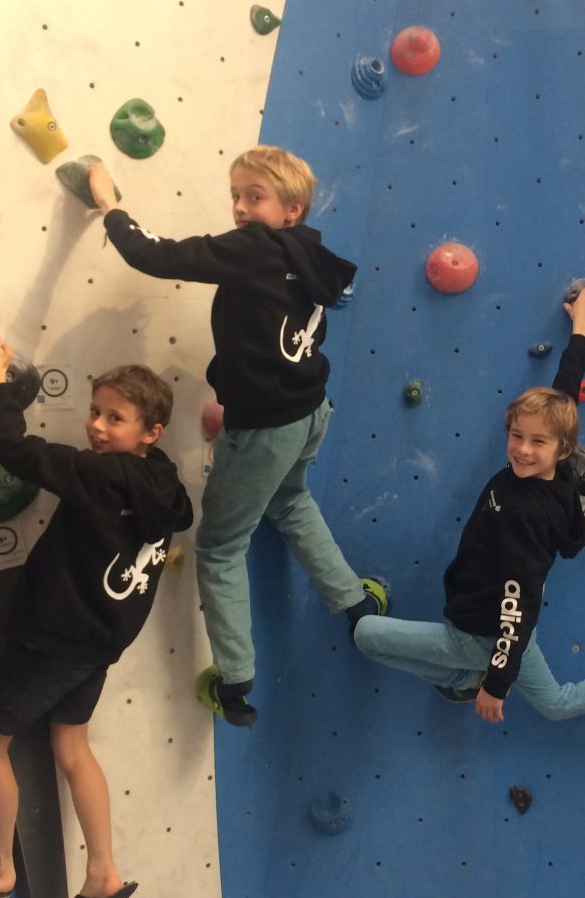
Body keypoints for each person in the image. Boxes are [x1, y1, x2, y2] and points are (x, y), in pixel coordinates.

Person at [86, 146, 384, 728]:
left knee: (221, 549)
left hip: (266, 428)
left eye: (256, 197)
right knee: (292, 502)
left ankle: (238, 678)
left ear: (291, 209)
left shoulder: (254, 249)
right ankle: (356, 603)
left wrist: (109, 206)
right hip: (309, 412)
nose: (242, 208)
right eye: (237, 195)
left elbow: (156, 255)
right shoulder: (311, 252)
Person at [0, 338, 193, 898]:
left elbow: (18, 452)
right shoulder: (164, 482)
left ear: (152, 431)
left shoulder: (103, 477)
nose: (95, 426)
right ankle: (103, 873)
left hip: (54, 639)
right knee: (71, 747)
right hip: (97, 643)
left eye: (114, 418)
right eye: (94, 411)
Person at [351, 286, 585, 726]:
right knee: (557, 701)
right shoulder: (556, 469)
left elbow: (517, 605)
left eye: (537, 442)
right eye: (517, 437)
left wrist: (495, 684)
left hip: (485, 634)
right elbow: (565, 391)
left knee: (367, 634)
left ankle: (465, 680)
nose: (522, 450)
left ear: (563, 449)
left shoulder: (525, 514)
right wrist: (581, 325)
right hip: (500, 627)